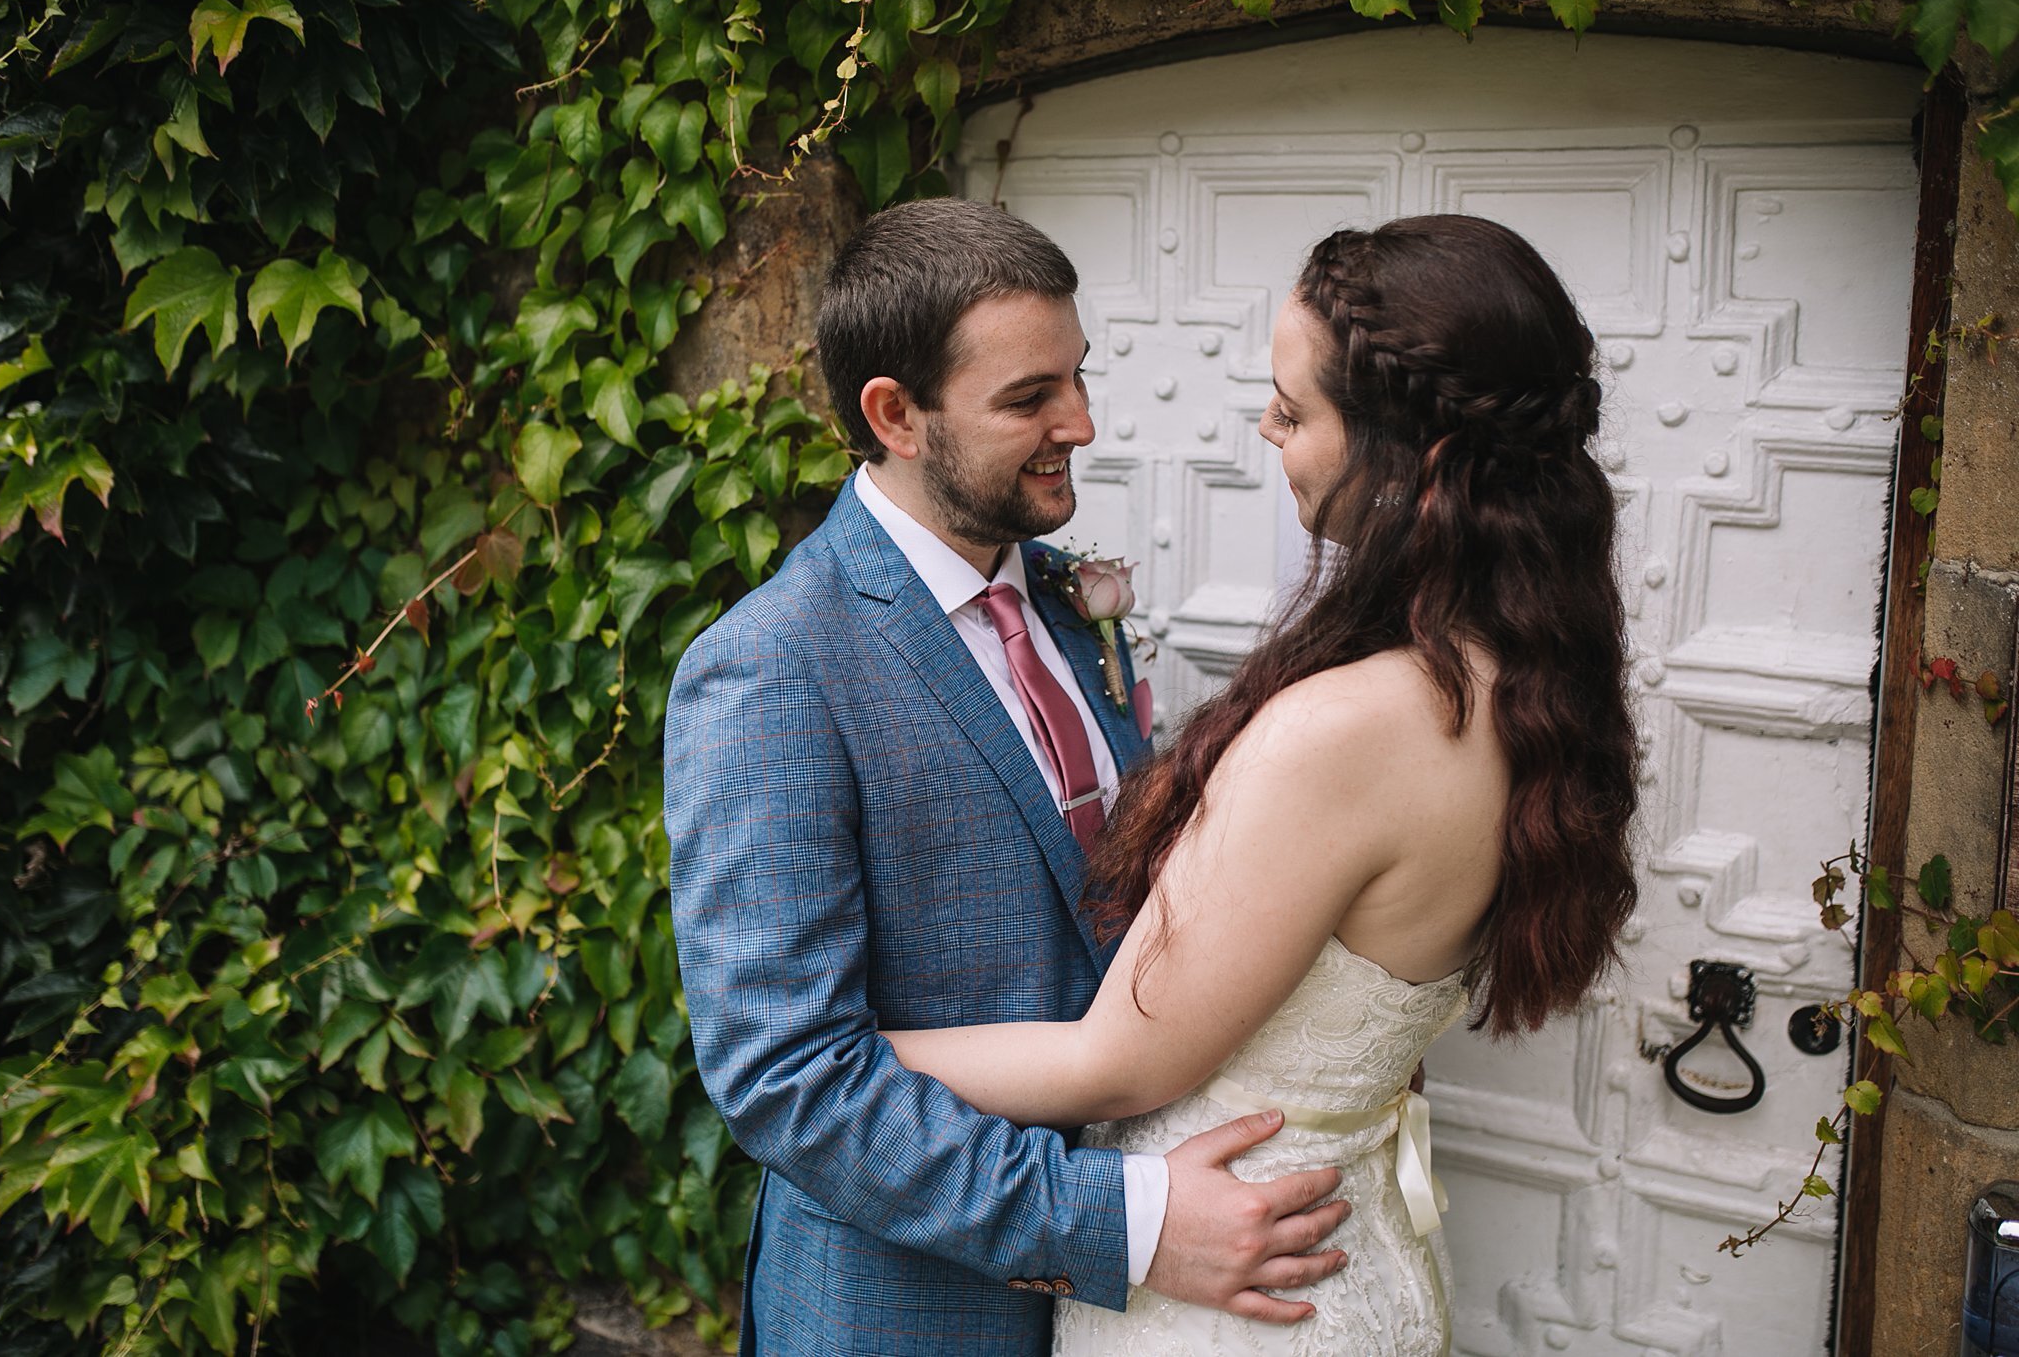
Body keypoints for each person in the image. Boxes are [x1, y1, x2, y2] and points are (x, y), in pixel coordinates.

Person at [882, 213, 1641, 1356]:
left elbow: (1119, 1059)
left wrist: (838, 1056)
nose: (1264, 428)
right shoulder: (1520, 682)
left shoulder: (1350, 727)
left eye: (1292, 411)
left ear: (1413, 456)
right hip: (1344, 1250)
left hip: (1228, 1298)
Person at [663, 197, 1354, 1357]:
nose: (1079, 424)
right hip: (907, 1312)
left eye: (1076, 377)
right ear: (896, 415)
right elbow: (785, 1078)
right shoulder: (771, 666)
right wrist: (1124, 1226)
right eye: (1028, 398)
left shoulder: (1058, 594)